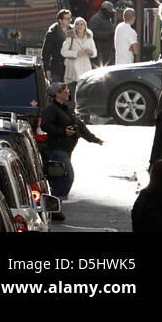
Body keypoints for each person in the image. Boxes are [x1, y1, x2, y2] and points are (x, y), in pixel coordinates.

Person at [39, 82, 103, 222]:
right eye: (65, 92)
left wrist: (94, 139)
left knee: (57, 179)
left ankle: (53, 208)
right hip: (57, 149)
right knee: (67, 176)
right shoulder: (51, 109)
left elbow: (79, 125)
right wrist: (63, 132)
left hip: (66, 150)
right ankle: (54, 207)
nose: (68, 93)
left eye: (67, 91)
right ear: (57, 94)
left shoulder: (66, 109)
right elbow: (45, 125)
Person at [60, 17, 97, 87]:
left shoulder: (89, 37)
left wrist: (90, 52)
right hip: (72, 72)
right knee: (73, 93)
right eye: (77, 24)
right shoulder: (70, 37)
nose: (79, 26)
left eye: (81, 24)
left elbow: (95, 53)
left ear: (85, 26)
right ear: (74, 26)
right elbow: (63, 52)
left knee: (85, 94)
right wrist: (76, 53)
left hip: (86, 70)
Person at [40, 9, 72, 83]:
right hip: (56, 68)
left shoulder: (73, 31)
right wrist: (47, 69)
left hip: (70, 69)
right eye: (66, 18)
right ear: (60, 20)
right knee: (56, 91)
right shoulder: (52, 33)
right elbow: (46, 53)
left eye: (70, 18)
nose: (69, 20)